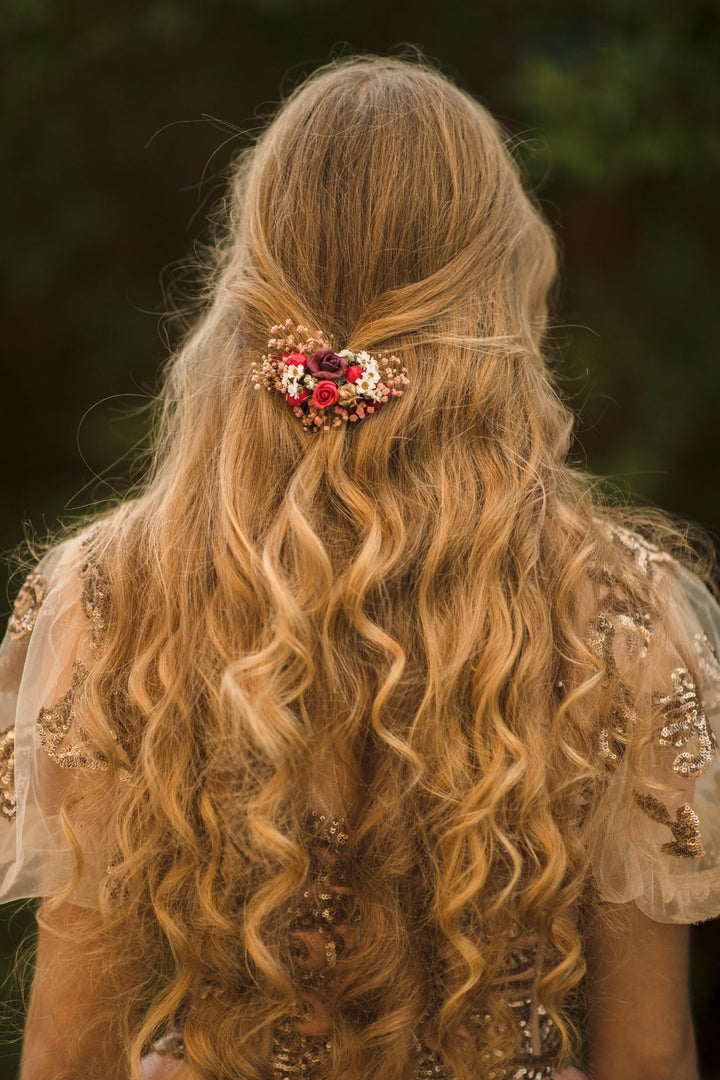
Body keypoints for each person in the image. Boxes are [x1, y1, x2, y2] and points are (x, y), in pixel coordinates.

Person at [2, 53, 719, 1080]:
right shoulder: (624, 611)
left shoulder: (109, 597)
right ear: (502, 285)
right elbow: (647, 1059)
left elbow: (67, 1055)